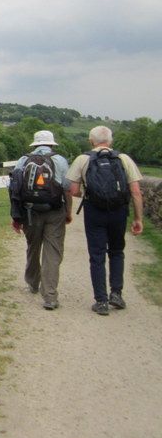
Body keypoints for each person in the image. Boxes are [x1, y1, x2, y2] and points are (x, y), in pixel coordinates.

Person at [66, 125, 143, 316]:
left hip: (94, 211)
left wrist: (91, 194)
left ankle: (101, 301)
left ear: (91, 141)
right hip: (118, 211)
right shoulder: (123, 159)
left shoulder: (83, 159)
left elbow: (73, 191)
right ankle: (116, 294)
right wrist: (138, 218)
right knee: (117, 251)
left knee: (97, 255)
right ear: (111, 141)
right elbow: (135, 192)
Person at [9, 130, 73, 310]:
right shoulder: (60, 160)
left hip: (30, 212)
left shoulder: (23, 160)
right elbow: (67, 189)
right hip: (54, 211)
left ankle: (33, 282)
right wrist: (68, 212)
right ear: (52, 144)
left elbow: (14, 189)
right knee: (52, 252)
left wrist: (16, 216)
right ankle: (50, 296)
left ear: (34, 144)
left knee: (33, 246)